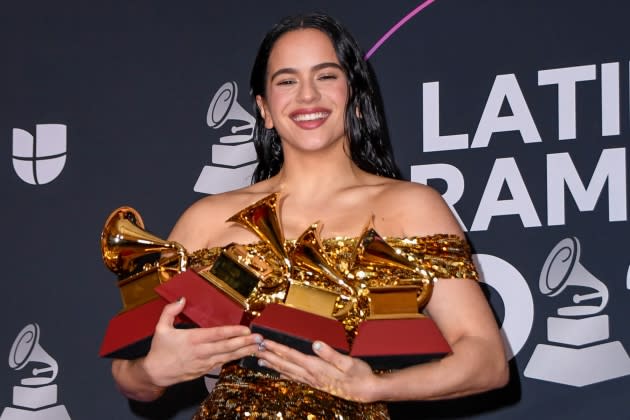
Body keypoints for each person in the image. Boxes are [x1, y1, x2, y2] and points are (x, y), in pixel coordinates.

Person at [111, 12, 509, 419]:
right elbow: (129, 374)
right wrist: (153, 371)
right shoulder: (207, 218)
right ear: (264, 109)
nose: (307, 96)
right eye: (287, 81)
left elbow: (486, 360)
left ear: (355, 95)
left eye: (325, 76)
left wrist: (373, 386)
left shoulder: (411, 207)